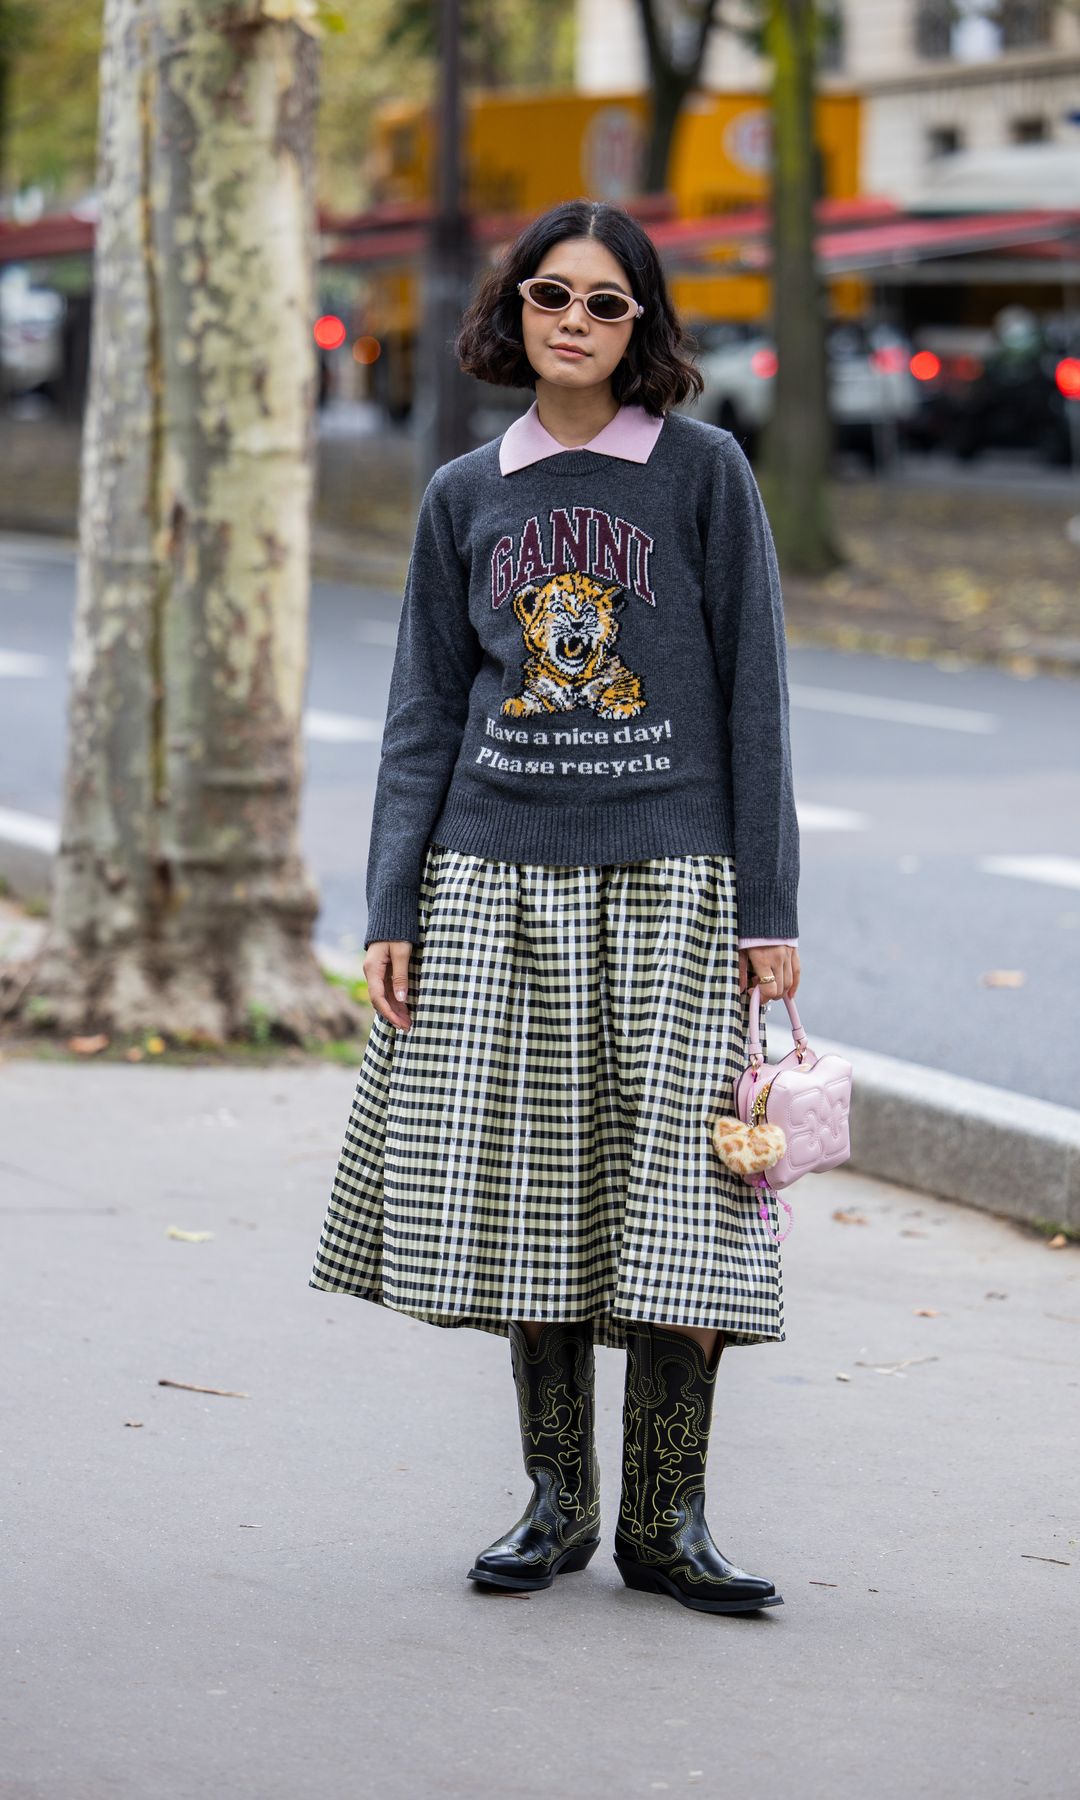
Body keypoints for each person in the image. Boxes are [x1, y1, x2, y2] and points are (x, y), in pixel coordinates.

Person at [309, 197, 801, 1617]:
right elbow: (420, 711)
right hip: (494, 879)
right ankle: (557, 1505)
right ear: (511, 310)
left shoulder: (702, 475)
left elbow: (756, 701)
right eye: (550, 297)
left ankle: (670, 1519)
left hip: (674, 885)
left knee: (689, 1207)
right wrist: (390, 903)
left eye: (604, 303)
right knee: (533, 1197)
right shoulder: (467, 493)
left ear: (643, 324)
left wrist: (768, 905)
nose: (573, 323)